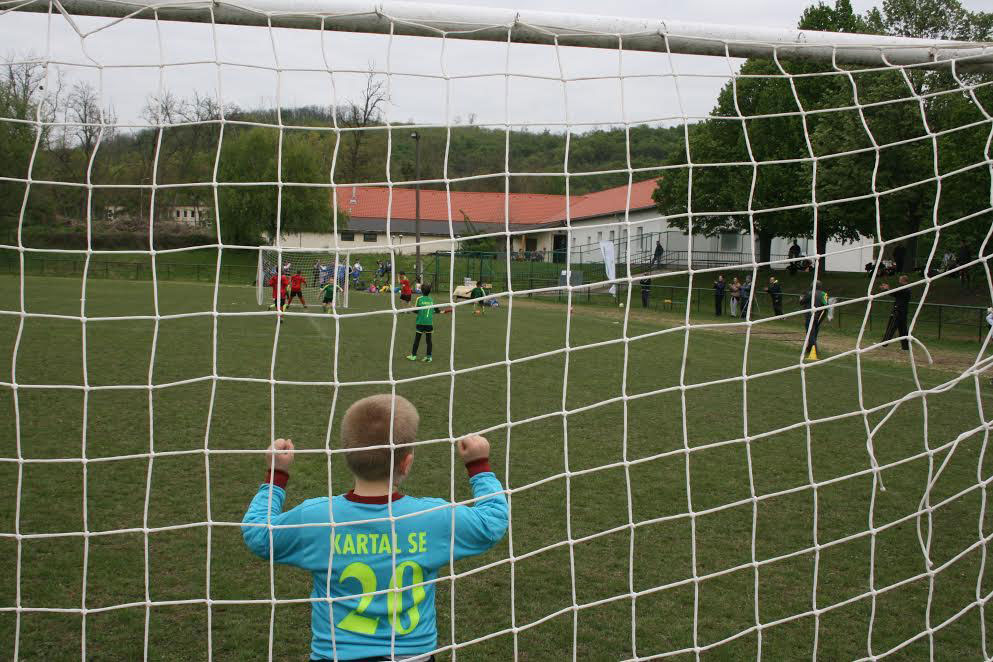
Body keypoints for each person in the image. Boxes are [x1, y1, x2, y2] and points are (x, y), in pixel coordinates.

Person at [241, 395, 508, 662]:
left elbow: (257, 534)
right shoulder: (432, 516)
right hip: (412, 657)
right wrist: (478, 466)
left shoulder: (320, 517)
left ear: (347, 457)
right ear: (406, 462)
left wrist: (276, 475)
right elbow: (493, 521)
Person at [880, 275, 912, 350]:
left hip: (898, 311)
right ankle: (905, 347)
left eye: (900, 279)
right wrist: (886, 290)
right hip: (903, 312)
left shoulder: (905, 288)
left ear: (904, 280)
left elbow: (894, 292)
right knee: (903, 330)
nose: (899, 281)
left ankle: (884, 344)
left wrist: (887, 288)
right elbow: (894, 293)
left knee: (891, 327)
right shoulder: (906, 289)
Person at [799, 280, 829, 359]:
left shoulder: (809, 293)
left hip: (811, 315)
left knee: (810, 333)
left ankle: (814, 349)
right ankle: (809, 349)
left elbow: (802, 302)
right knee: (814, 332)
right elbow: (826, 306)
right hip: (819, 316)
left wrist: (801, 298)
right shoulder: (824, 294)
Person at [407, 283, 435, 363]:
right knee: (429, 341)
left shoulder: (419, 299)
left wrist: (411, 308)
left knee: (417, 339)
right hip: (429, 323)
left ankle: (413, 355)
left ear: (421, 291)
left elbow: (416, 311)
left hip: (420, 322)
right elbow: (434, 311)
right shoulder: (431, 300)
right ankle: (429, 357)